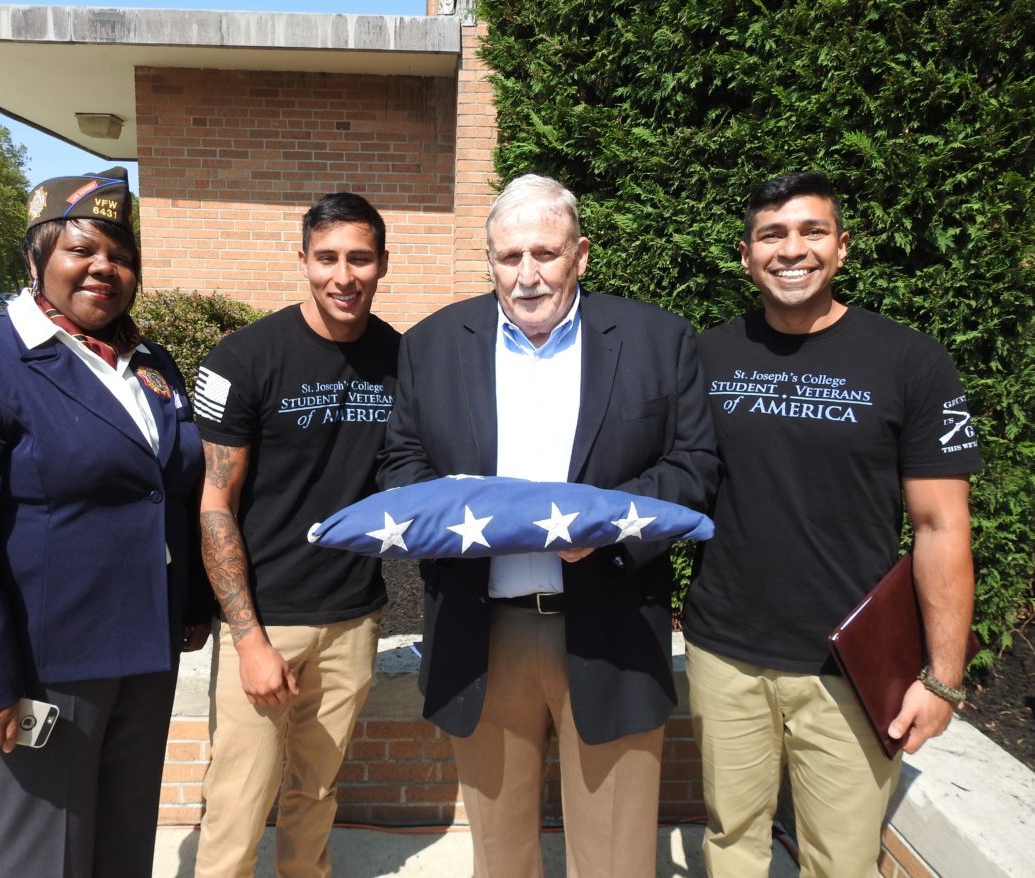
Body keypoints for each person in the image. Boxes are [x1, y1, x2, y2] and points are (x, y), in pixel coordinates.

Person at [377, 174, 720, 877]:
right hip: (483, 632)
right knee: (500, 856)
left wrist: (610, 524)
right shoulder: (433, 345)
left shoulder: (659, 340)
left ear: (581, 254)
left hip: (614, 628)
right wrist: (453, 502)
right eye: (509, 257)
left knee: (616, 858)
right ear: (489, 259)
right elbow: (399, 463)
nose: (527, 275)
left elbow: (693, 467)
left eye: (546, 253)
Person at [0, 166, 212, 878]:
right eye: (82, 249)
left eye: (121, 255)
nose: (105, 267)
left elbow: (169, 489)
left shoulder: (147, 362)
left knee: (122, 848)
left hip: (143, 654)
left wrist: (191, 605)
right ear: (38, 257)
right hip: (44, 667)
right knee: (45, 859)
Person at [683, 171, 982, 878]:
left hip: (849, 667)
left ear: (842, 247)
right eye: (772, 235)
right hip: (726, 651)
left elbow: (942, 526)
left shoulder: (911, 362)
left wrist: (943, 680)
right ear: (746, 254)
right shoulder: (705, 356)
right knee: (731, 843)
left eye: (812, 231)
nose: (793, 250)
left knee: (841, 862)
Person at [192, 192, 400, 878]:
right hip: (267, 621)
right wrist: (248, 637)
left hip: (352, 617)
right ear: (304, 260)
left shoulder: (402, 359)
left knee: (316, 791)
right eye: (328, 257)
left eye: (360, 258)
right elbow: (216, 501)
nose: (344, 275)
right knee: (238, 798)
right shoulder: (245, 358)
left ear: (382, 264)